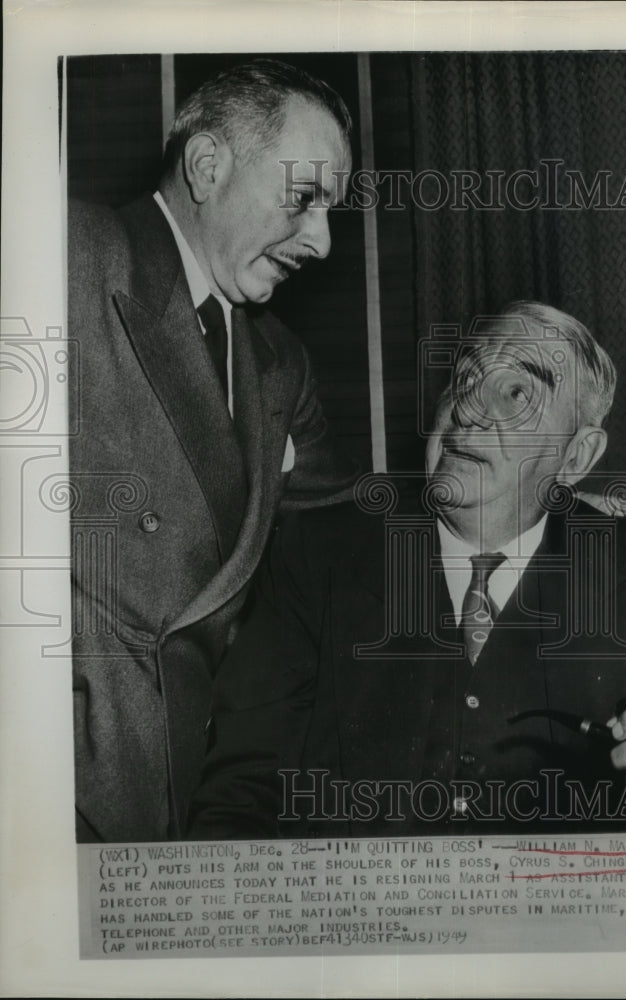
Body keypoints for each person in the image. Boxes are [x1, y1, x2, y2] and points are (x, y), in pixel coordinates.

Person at [187, 301, 626, 839]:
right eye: (466, 379)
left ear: (576, 457)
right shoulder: (317, 555)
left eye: (517, 394)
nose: (471, 409)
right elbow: (240, 798)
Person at [69, 59, 358, 843]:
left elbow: (340, 542)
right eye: (304, 200)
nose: (324, 241)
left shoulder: (281, 364)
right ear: (206, 165)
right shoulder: (68, 256)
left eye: (331, 210)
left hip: (189, 796)